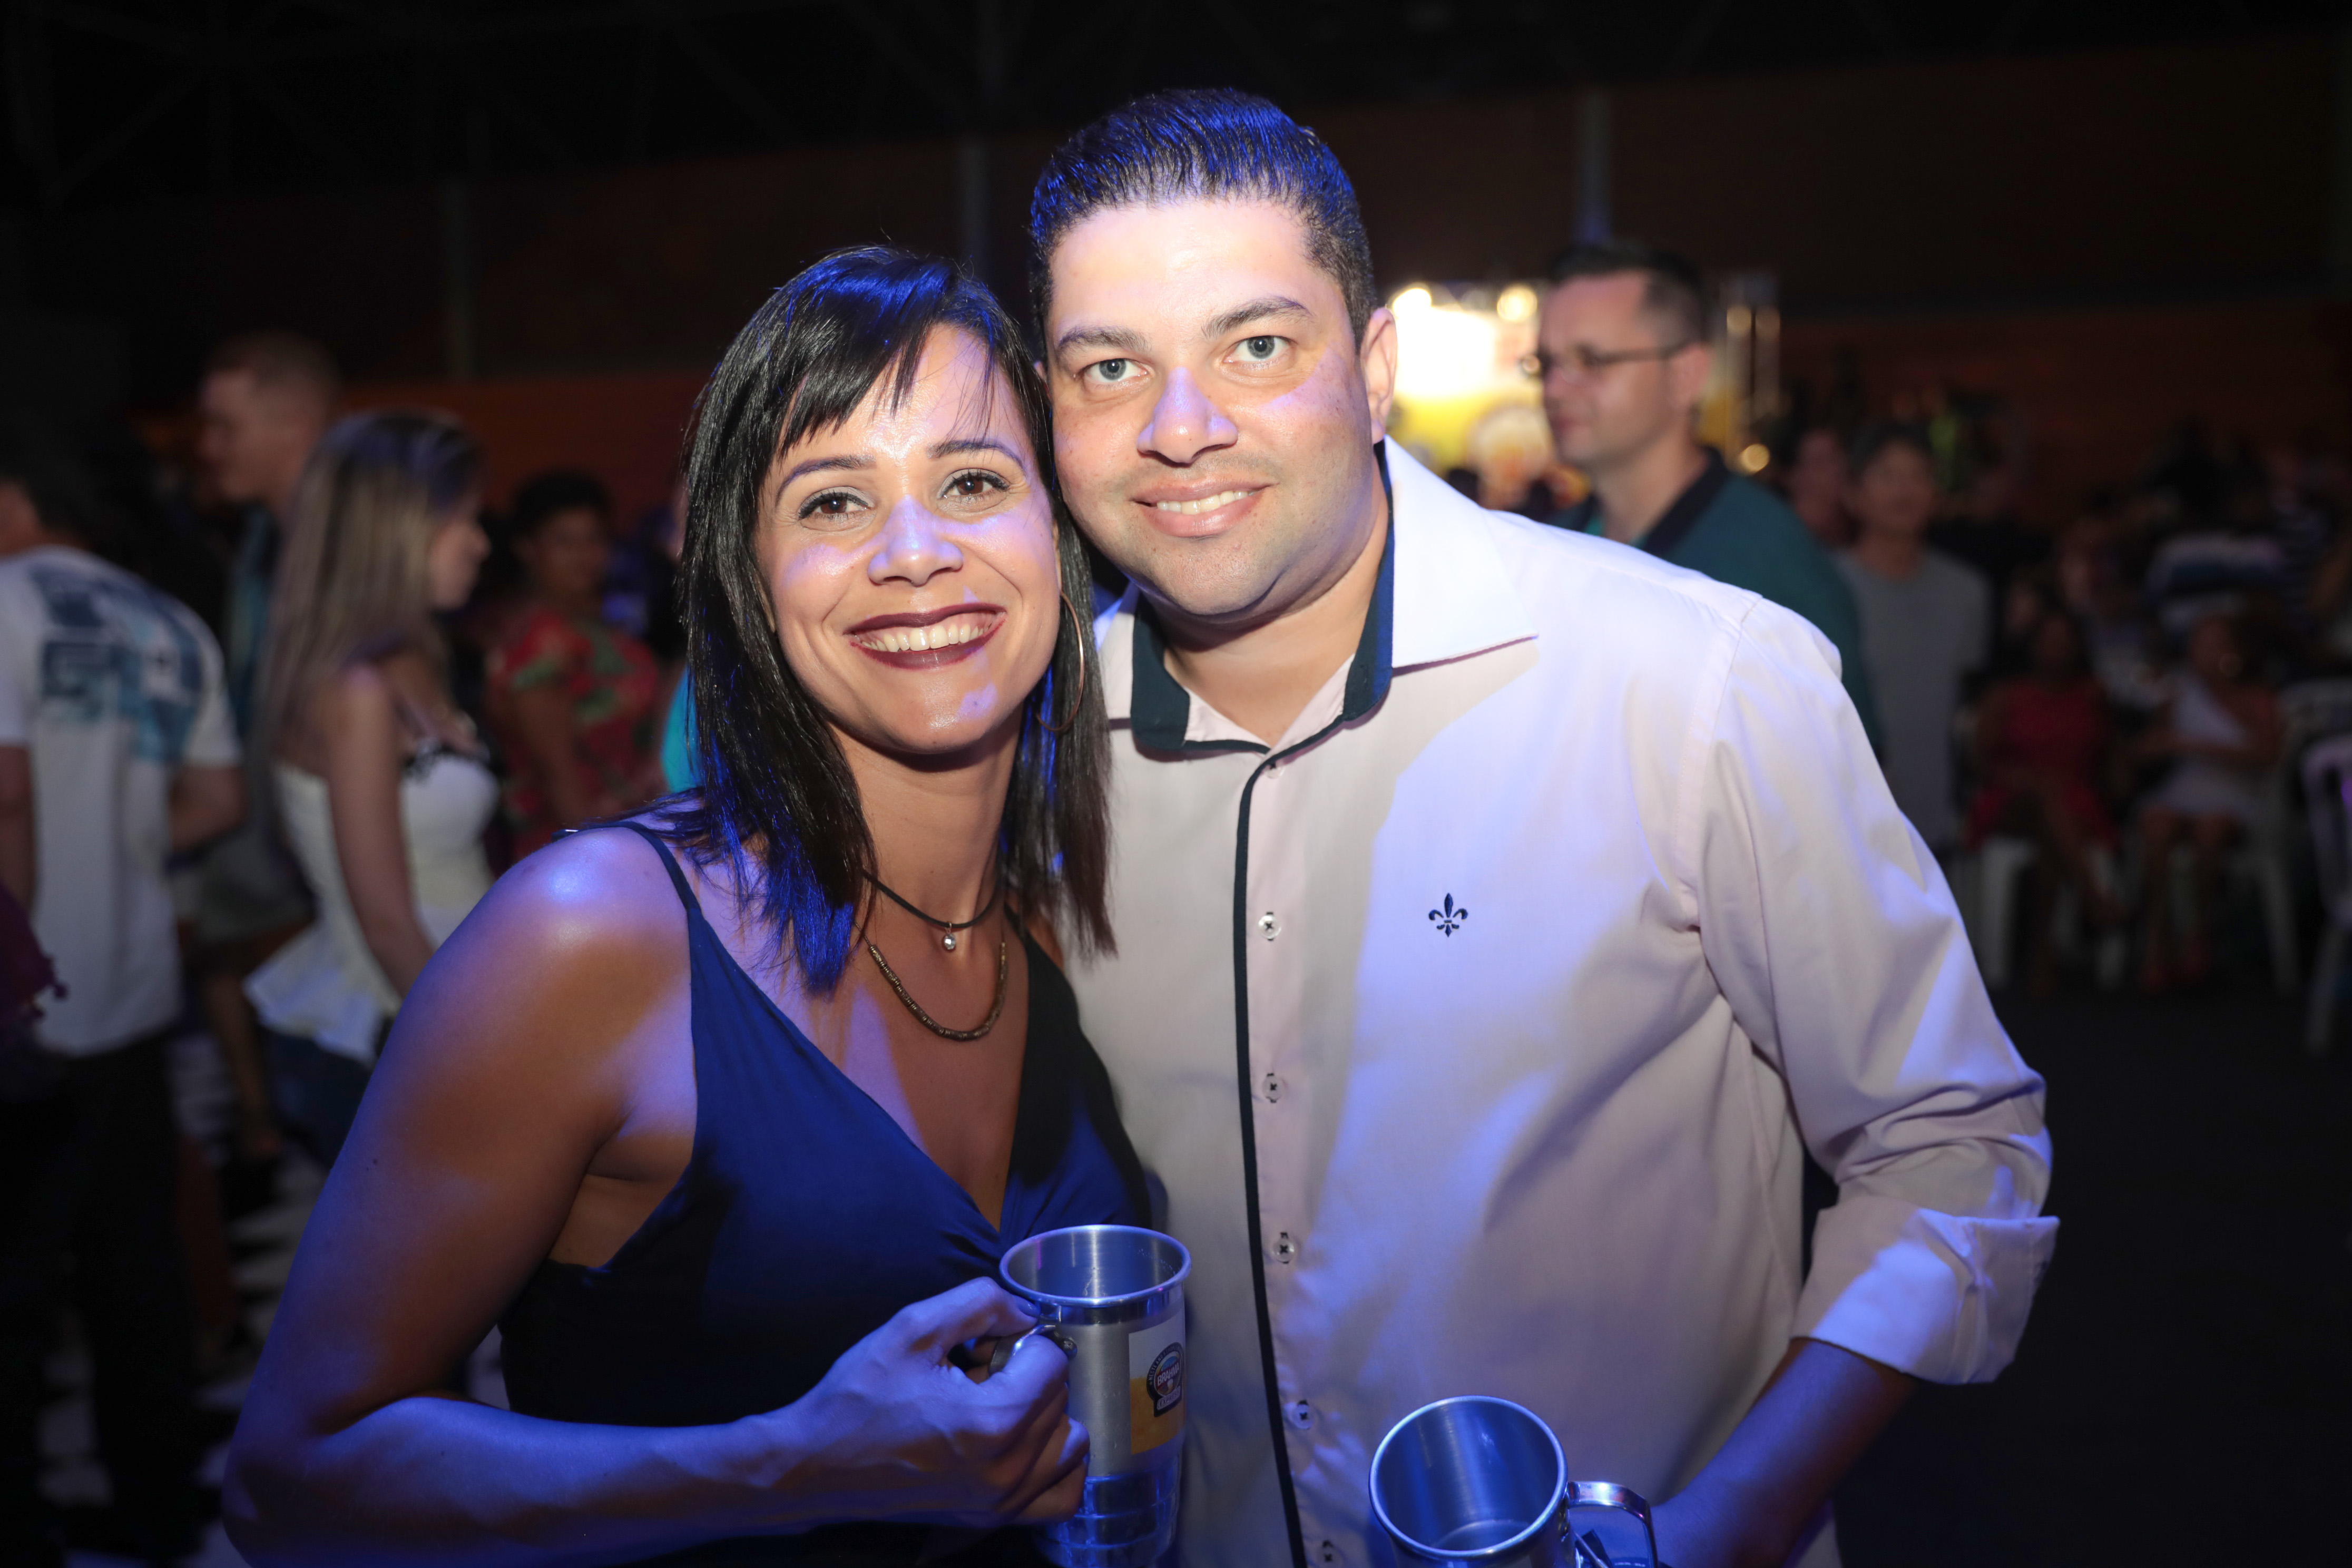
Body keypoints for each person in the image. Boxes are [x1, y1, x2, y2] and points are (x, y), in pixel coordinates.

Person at [1030, 91, 2054, 1568]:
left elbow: (1951, 1145)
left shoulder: (1690, 681)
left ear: (1374, 371)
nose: (1180, 428)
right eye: (1110, 367)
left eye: (1255, 347)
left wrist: (1736, 1518)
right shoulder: (1033, 758)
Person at [226, 249, 1144, 1565]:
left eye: (973, 482)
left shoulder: (1043, 923)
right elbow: (293, 1478)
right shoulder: (597, 936)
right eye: (834, 501)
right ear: (747, 577)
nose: (916, 553)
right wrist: (792, 1464)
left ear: (1058, 532)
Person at [0, 413, 246, 1564]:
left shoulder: (4, 602)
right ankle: (158, 1514)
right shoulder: (169, 621)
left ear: (16, 500)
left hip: (27, 1003)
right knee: (134, 1276)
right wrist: (120, 843)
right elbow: (218, 801)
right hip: (137, 992)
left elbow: (7, 801)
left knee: (16, 1294)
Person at [240, 412, 498, 1169]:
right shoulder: (355, 690)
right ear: (399, 529)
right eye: (465, 520)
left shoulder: (414, 661)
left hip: (453, 998)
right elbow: (385, 922)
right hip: (403, 1025)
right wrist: (482, 1059)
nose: (481, 543)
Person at [1536, 241, 1882, 748]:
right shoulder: (1550, 547)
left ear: (1686, 375)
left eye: (1591, 360)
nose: (1554, 389)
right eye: (1545, 363)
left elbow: (1848, 772)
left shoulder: (1771, 562)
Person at [191, 331, 341, 1164]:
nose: (209, 448)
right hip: (280, 852)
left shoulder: (340, 545)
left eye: (226, 427)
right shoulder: (263, 537)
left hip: (324, 861)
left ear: (295, 427)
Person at [485, 469, 664, 855]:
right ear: (527, 548)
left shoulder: (601, 630)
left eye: (594, 539)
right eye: (564, 541)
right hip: (577, 851)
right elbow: (559, 779)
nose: (583, 555)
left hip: (627, 834)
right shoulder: (540, 644)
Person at [1837, 422, 1993, 854]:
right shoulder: (1827, 588)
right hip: (1843, 826)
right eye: (1887, 475)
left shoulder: (1967, 592)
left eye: (1919, 475)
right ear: (1853, 494)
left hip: (1936, 821)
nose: (1904, 491)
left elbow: (1968, 706)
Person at [1966, 610, 2123, 994]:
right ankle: (2092, 899)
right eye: (2049, 639)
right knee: (2046, 798)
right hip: (2012, 798)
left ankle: (2043, 952)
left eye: (2065, 640)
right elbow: (1979, 761)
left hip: (2075, 803)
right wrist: (2023, 780)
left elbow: (2110, 760)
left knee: (2052, 824)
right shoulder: (2006, 695)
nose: (2057, 648)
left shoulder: (2093, 695)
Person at [2133, 614, 2281, 991]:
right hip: (2186, 788)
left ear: (2236, 651)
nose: (2203, 652)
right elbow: (2147, 748)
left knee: (2211, 830)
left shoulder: (2258, 698)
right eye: (2198, 643)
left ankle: (2199, 935)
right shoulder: (2179, 693)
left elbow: (2268, 755)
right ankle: (2158, 938)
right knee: (2156, 824)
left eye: (2214, 643)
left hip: (2237, 794)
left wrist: (2190, 745)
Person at [1782, 425, 1853, 549]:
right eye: (1820, 462)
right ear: (1794, 477)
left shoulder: (1859, 526)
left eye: (1837, 457)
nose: (1836, 469)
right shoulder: (1787, 536)